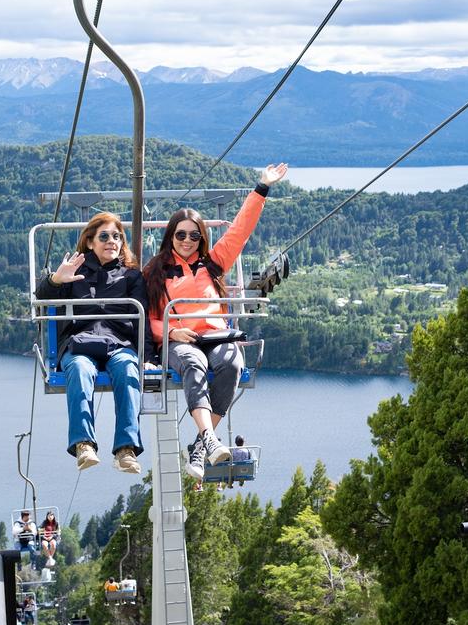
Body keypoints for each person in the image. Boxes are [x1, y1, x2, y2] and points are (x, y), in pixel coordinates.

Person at [143, 163, 288, 480]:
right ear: (171, 236)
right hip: (179, 342)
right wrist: (170, 331)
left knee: (232, 364)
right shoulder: (154, 272)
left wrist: (261, 187)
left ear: (201, 237)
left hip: (217, 338)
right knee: (194, 364)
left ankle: (200, 443)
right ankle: (209, 438)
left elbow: (239, 231)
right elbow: (147, 319)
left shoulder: (212, 264)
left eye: (194, 235)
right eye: (181, 234)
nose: (187, 240)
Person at [36, 212, 153, 473]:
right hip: (80, 343)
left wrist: (148, 357)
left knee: (127, 369)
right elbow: (42, 299)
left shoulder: (131, 277)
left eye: (117, 237)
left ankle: (126, 448)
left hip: (118, 343)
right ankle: (84, 444)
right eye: (104, 236)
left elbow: (142, 318)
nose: (111, 241)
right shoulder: (74, 271)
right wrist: (56, 279)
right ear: (90, 242)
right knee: (79, 369)